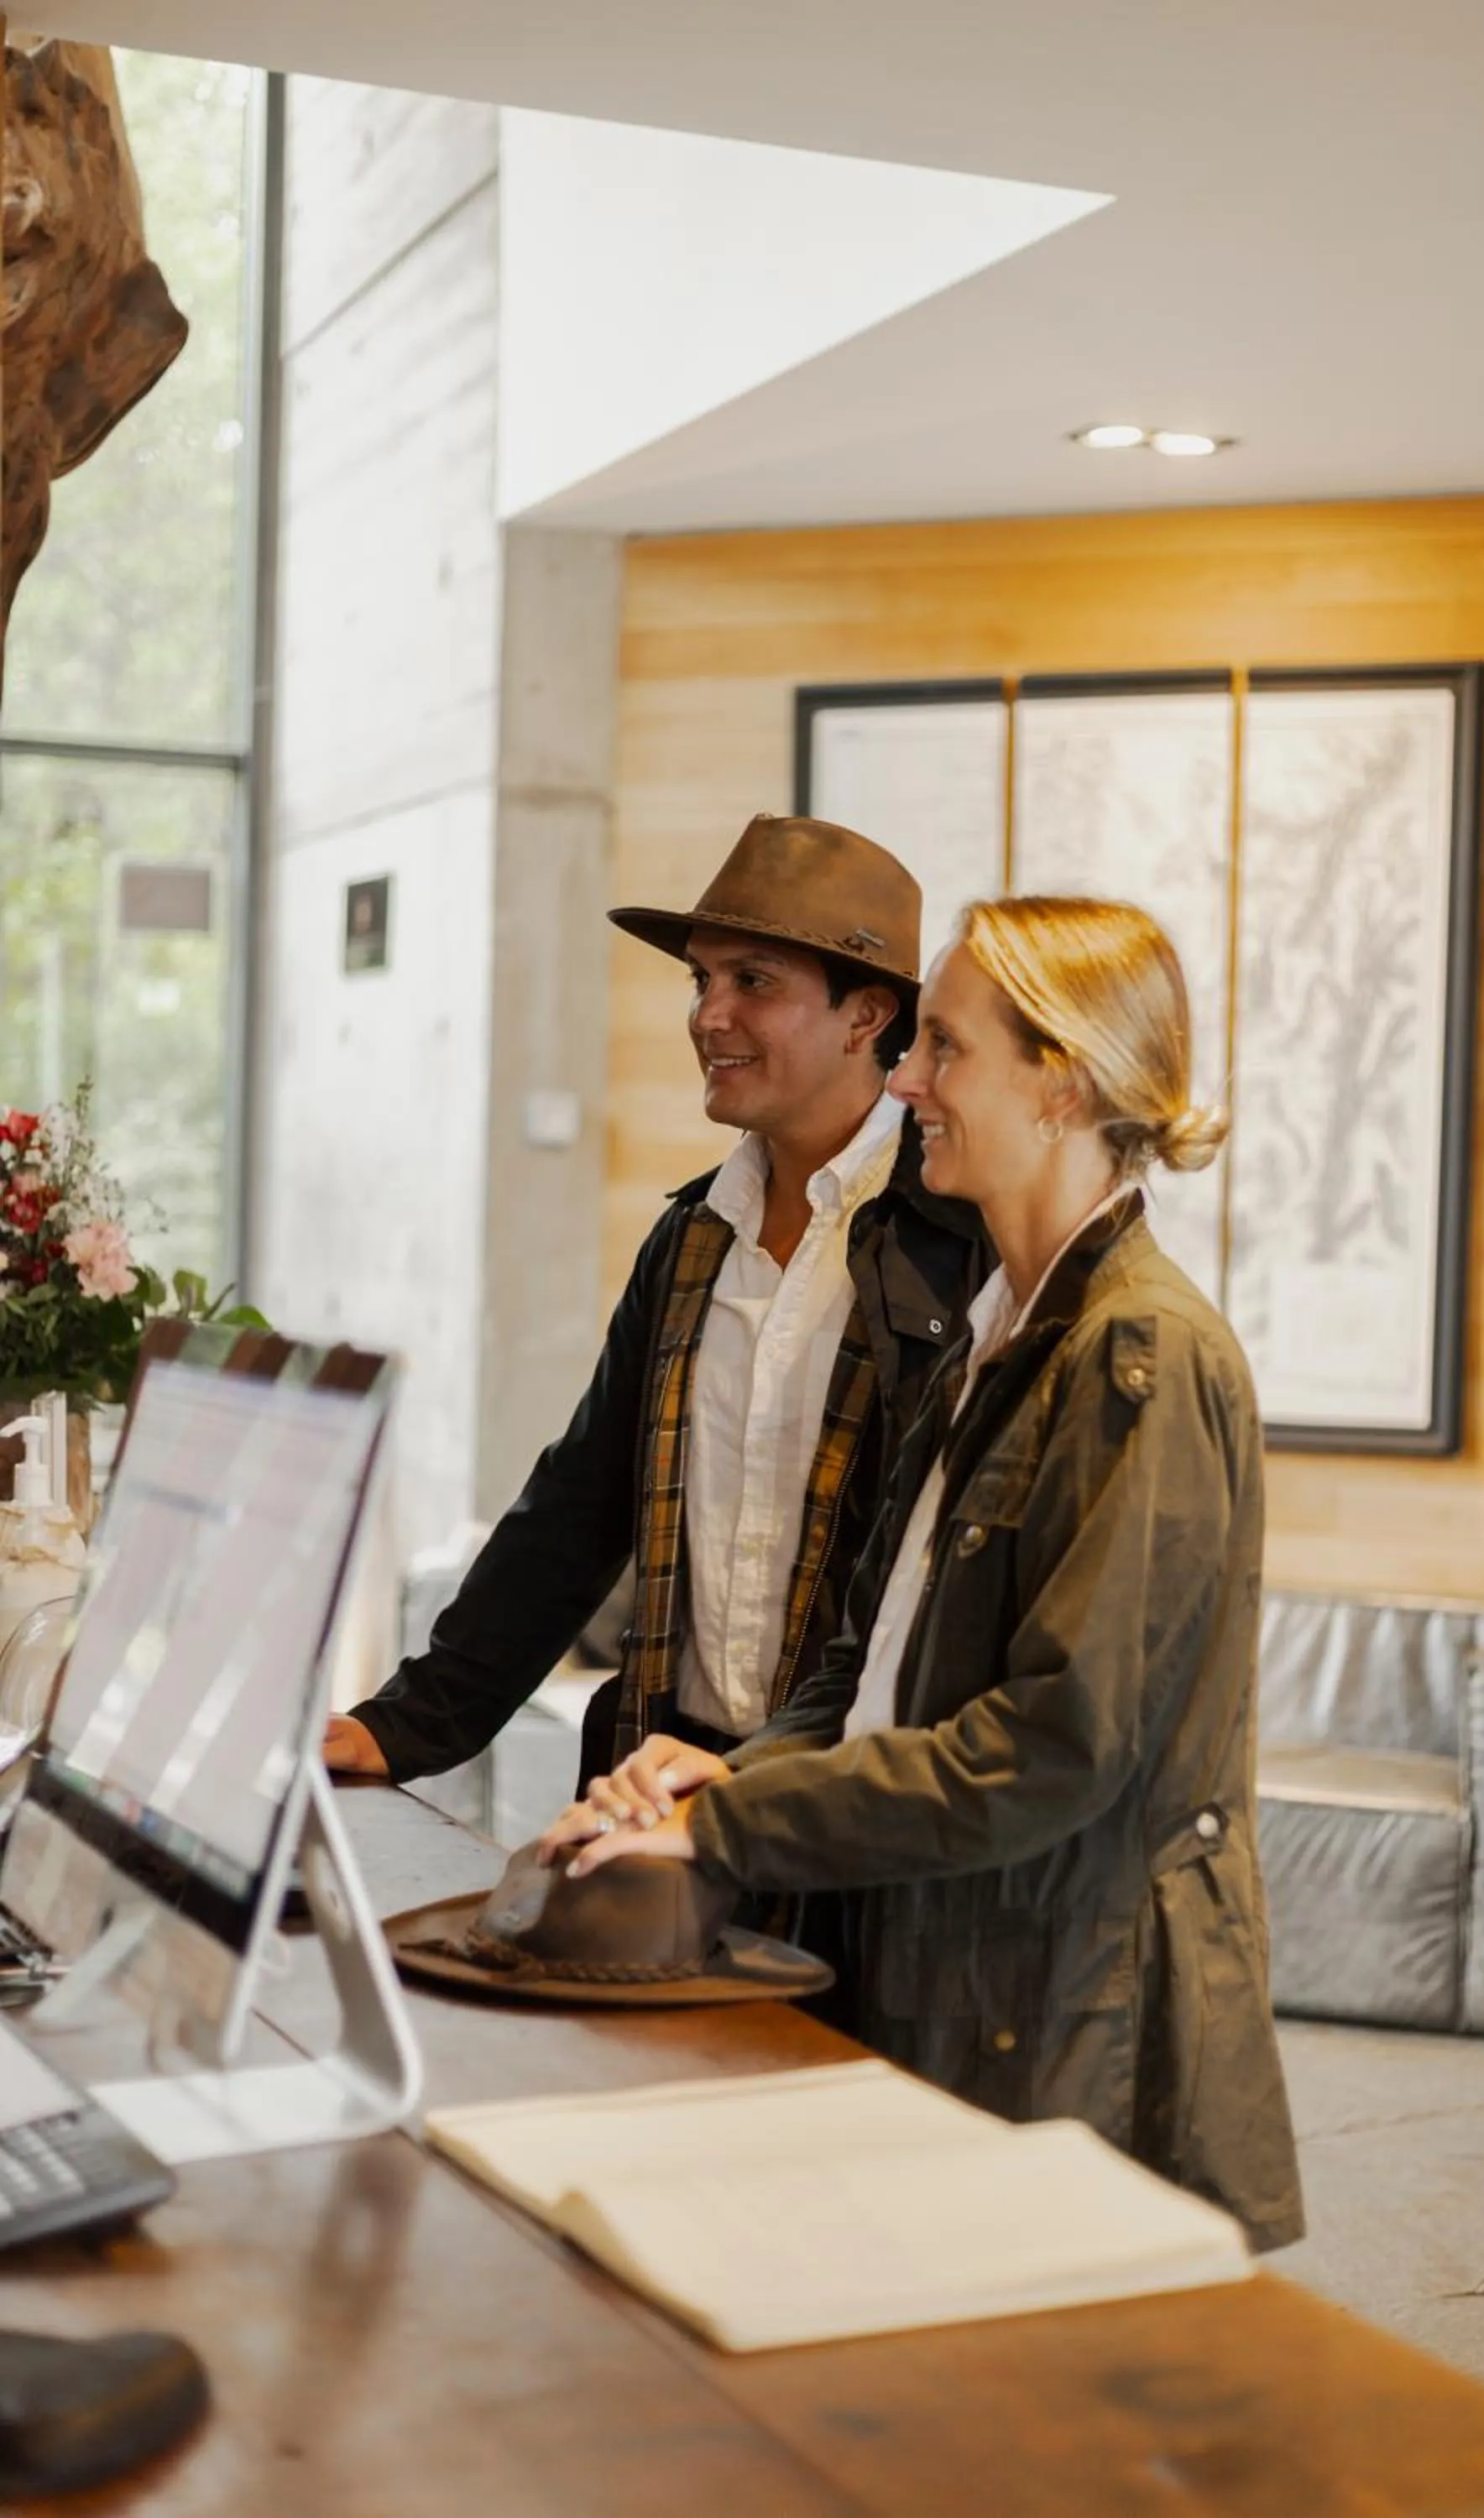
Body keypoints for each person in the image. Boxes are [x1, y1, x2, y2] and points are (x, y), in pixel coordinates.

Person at [543, 894, 1304, 2251]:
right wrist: (724, 1771)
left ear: (1059, 1082)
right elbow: (872, 1662)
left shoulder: (1144, 1363)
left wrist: (722, 1831)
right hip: (958, 1977)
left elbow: (1046, 1751)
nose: (905, 1083)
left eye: (943, 1049)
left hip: (1074, 2032)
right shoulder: (991, 1341)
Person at [324, 813, 990, 1794]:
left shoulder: (960, 1248)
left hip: (847, 1820)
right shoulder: (690, 1239)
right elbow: (578, 1509)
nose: (708, 1015)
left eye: (752, 982)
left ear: (867, 1017)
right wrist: (406, 1725)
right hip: (657, 1784)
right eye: (700, 980)